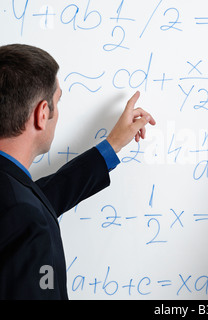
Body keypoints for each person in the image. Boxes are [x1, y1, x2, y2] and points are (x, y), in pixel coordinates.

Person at [0, 44, 156, 299]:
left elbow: (37, 199)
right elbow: (27, 211)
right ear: (42, 113)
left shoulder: (15, 201)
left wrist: (112, 146)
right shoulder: (23, 216)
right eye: (57, 101)